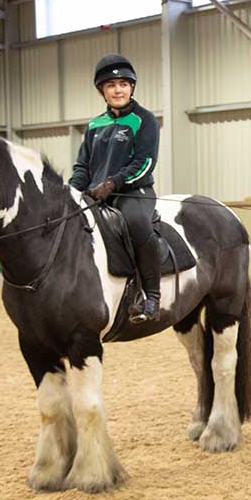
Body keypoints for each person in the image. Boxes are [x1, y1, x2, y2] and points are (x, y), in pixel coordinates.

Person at [70, 54, 162, 323]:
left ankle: (151, 297)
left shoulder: (144, 120)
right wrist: (73, 193)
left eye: (123, 83)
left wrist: (113, 183)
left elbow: (145, 162)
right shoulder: (94, 125)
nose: (118, 89)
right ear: (102, 91)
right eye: (111, 85)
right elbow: (82, 165)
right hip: (95, 194)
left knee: (135, 223)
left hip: (132, 192)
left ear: (132, 87)